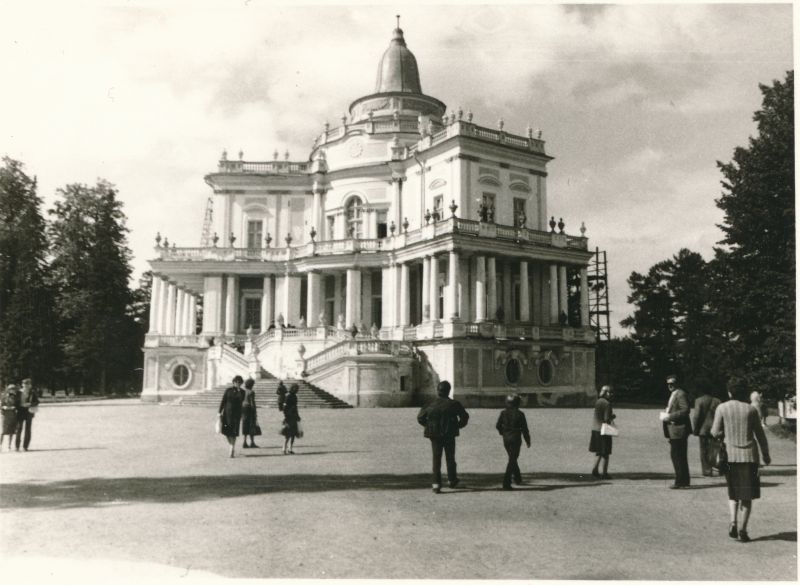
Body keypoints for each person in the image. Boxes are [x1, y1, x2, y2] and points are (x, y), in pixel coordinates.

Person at [712, 377, 771, 542]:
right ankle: (743, 531)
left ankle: (733, 522)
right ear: (745, 392)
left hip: (730, 457)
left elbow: (714, 431)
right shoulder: (751, 410)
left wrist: (725, 434)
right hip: (749, 457)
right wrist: (766, 454)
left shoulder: (722, 408)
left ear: (729, 392)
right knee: (747, 495)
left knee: (733, 493)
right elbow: (760, 435)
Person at [416, 380, 470, 493]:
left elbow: (420, 418)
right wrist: (457, 426)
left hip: (434, 434)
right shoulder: (454, 404)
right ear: (448, 391)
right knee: (450, 458)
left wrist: (429, 425)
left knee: (436, 458)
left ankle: (436, 484)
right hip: (449, 434)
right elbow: (464, 417)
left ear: (438, 391)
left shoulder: (430, 404)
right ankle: (452, 480)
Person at [659, 375, 693, 489]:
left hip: (679, 430)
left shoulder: (680, 394)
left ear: (677, 383)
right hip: (675, 430)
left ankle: (680, 481)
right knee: (679, 456)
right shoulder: (675, 393)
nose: (669, 385)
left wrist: (670, 416)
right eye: (668, 383)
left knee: (677, 456)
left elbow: (685, 410)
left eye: (672, 383)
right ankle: (683, 480)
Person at [496, 394, 531, 490]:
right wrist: (527, 440)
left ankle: (517, 478)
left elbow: (498, 426)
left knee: (512, 458)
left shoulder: (503, 413)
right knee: (512, 459)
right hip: (516, 438)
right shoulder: (520, 414)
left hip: (506, 439)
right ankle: (506, 482)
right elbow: (525, 429)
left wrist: (502, 433)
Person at [691, 379, 721, 477]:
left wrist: (695, 429)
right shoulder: (717, 401)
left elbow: (696, 417)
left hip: (702, 429)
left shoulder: (698, 401)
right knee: (713, 449)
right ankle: (713, 464)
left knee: (703, 450)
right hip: (715, 428)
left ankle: (707, 470)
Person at [589, 385, 615, 479]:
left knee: (598, 451)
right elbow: (606, 418)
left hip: (595, 429)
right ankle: (604, 473)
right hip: (603, 430)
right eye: (609, 392)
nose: (611, 394)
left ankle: (595, 469)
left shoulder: (598, 401)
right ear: (605, 392)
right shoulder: (607, 403)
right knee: (605, 453)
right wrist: (612, 417)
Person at [218, 375, 245, 458]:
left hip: (236, 414)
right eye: (236, 382)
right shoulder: (228, 390)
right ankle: (231, 445)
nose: (238, 384)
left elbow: (241, 401)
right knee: (226, 431)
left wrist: (239, 391)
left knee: (234, 432)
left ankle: (232, 448)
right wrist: (219, 412)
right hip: (227, 413)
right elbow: (223, 401)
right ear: (233, 382)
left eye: (239, 382)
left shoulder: (242, 392)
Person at [15, 378, 39, 452]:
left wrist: (30, 404)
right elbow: (15, 402)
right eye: (25, 384)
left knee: (28, 429)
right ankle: (17, 446)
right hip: (20, 411)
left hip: (29, 411)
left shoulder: (32, 392)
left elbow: (37, 402)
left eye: (28, 384)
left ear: (30, 385)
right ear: (22, 385)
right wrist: (19, 405)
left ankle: (25, 446)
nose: (26, 386)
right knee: (19, 429)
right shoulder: (18, 393)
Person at [281, 383, 301, 454]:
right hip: (289, 417)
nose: (297, 390)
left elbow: (295, 407)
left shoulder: (295, 396)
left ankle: (290, 448)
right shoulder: (288, 396)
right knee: (288, 433)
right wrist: (286, 416)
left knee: (293, 433)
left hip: (294, 416)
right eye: (296, 389)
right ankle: (284, 447)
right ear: (293, 389)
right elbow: (284, 407)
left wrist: (298, 415)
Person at [241, 378, 259, 449]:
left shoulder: (243, 392)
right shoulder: (251, 392)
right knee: (251, 425)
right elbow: (252, 403)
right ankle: (252, 442)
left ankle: (244, 442)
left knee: (245, 425)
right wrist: (255, 412)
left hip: (243, 409)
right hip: (249, 410)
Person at [1, 384, 20, 452]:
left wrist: (15, 408)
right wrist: (3, 407)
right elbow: (1, 405)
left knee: (11, 431)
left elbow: (18, 405)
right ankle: (0, 445)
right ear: (8, 389)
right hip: (6, 415)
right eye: (11, 389)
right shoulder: (4, 396)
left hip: (13, 415)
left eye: (13, 389)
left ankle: (9, 445)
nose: (12, 390)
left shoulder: (16, 397)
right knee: (3, 431)